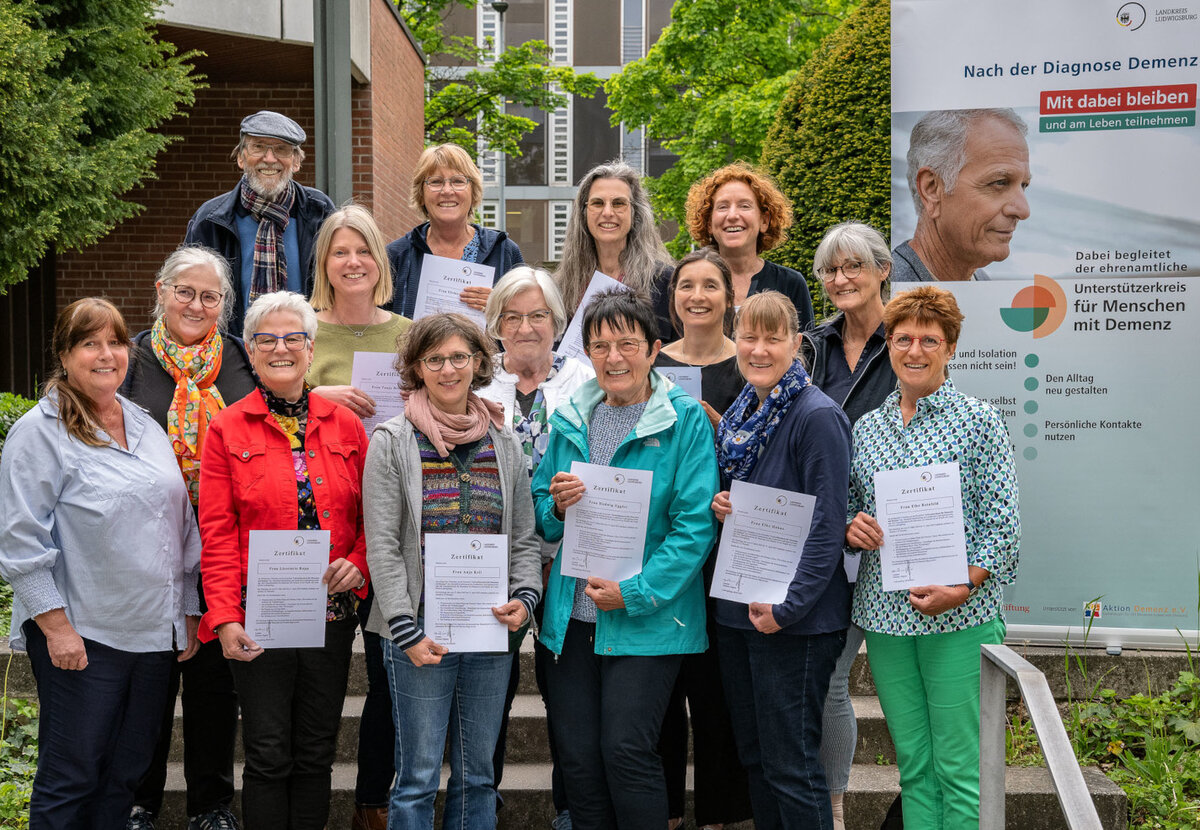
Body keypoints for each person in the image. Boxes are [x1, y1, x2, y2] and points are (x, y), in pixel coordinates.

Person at [0, 298, 202, 830]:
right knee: (71, 776)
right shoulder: (38, 433)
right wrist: (56, 628)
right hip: (84, 637)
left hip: (153, 638)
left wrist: (185, 610)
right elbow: (19, 541)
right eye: (90, 343)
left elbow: (179, 524)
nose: (106, 354)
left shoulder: (142, 425)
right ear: (65, 355)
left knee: (125, 775)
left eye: (115, 342)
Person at [532, 290, 718, 829]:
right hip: (572, 619)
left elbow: (694, 525)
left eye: (627, 344)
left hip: (649, 618)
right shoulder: (570, 415)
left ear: (654, 349)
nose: (614, 358)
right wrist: (558, 507)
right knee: (580, 761)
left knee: (627, 752)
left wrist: (634, 593)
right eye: (601, 345)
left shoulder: (683, 420)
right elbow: (542, 513)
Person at [845, 285, 1020, 828]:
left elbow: (1003, 524)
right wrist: (854, 526)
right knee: (915, 768)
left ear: (949, 348)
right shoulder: (866, 428)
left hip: (960, 614)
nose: (914, 350)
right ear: (888, 347)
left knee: (960, 770)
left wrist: (962, 585)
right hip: (888, 619)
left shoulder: (978, 420)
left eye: (929, 339)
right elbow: (850, 505)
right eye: (902, 339)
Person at [362, 313, 542, 830]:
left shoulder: (504, 443)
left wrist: (525, 600)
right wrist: (405, 631)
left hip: (489, 632)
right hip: (418, 636)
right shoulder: (392, 441)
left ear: (480, 363)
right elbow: (384, 547)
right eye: (434, 359)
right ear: (417, 368)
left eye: (459, 357)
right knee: (417, 777)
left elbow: (524, 538)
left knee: (478, 775)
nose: (447, 369)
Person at [198, 291, 370, 830]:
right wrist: (224, 616)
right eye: (266, 339)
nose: (281, 348)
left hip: (331, 614)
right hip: (259, 618)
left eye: (292, 337)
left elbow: (375, 516)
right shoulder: (227, 428)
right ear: (249, 351)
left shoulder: (346, 425)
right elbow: (217, 533)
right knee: (269, 754)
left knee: (317, 752)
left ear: (311, 347)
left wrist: (360, 563)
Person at [120, 247, 257, 830]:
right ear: (161, 290)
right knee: (147, 683)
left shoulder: (238, 359)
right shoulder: (128, 359)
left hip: (219, 546)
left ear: (224, 305)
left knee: (213, 687)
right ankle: (138, 801)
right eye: (185, 292)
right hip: (143, 550)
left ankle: (211, 805)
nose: (196, 305)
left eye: (210, 296)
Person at [711, 290, 851, 830]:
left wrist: (788, 607)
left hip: (796, 623)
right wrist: (725, 503)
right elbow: (754, 499)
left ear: (797, 343)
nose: (760, 349)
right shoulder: (742, 415)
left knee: (792, 768)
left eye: (774, 337)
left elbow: (827, 525)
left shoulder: (816, 416)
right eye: (750, 336)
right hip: (738, 613)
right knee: (758, 760)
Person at [303, 204, 411, 830]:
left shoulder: (408, 331)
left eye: (363, 251)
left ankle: (374, 801)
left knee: (385, 673)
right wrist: (319, 397)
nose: (352, 262)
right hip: (326, 527)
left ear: (380, 261)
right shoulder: (303, 328)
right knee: (313, 684)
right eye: (340, 252)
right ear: (324, 263)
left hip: (394, 522)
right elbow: (263, 392)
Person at [477, 266, 594, 825]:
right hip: (489, 566)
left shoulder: (590, 382)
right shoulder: (473, 386)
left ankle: (570, 809)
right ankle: (481, 800)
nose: (526, 327)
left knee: (566, 698)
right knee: (486, 698)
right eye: (513, 317)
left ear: (557, 321)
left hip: (569, 566)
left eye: (538, 315)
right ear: (496, 325)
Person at [801, 222, 897, 830]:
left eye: (853, 267)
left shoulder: (908, 338)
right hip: (817, 536)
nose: (841, 280)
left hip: (883, 539)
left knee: (843, 678)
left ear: (882, 270)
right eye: (831, 270)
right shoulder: (813, 347)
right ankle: (828, 807)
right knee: (827, 678)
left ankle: (835, 807)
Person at [652, 248, 752, 830]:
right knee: (662, 692)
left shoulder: (751, 364)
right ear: (674, 300)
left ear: (728, 296)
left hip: (728, 550)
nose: (697, 296)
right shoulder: (650, 362)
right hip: (662, 545)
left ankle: (719, 816)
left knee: (718, 695)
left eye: (709, 286)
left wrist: (725, 436)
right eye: (686, 286)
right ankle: (663, 813)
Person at [184, 110, 335, 336]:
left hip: (307, 353)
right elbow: (186, 292)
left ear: (296, 161)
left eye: (281, 149)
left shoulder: (320, 213)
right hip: (232, 357)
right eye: (259, 147)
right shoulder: (210, 220)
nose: (270, 158)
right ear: (241, 157)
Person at [386, 143, 524, 319]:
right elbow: (379, 322)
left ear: (473, 191)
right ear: (421, 193)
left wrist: (502, 308)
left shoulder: (504, 251)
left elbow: (528, 315)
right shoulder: (396, 256)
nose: (447, 191)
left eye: (458, 181)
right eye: (435, 182)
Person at [894, 108, 1031, 282]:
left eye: (1024, 185)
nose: (1024, 210)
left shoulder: (982, 283)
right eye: (1000, 182)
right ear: (932, 189)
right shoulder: (887, 296)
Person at [554, 161, 676, 343]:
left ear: (635, 213)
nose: (608, 212)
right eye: (597, 203)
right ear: (583, 212)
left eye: (619, 203)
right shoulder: (562, 287)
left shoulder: (665, 282)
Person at [684, 162, 815, 328]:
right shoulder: (688, 284)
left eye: (744, 206)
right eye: (723, 207)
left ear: (764, 221)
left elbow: (805, 351)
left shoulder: (790, 283)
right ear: (709, 223)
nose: (732, 215)